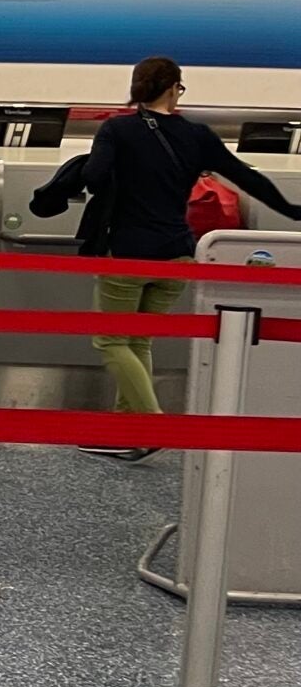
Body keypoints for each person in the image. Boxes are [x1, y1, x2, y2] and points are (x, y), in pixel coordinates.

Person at [68, 56, 301, 457]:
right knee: (139, 340)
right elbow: (248, 178)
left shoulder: (117, 129)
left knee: (110, 340)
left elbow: (92, 177)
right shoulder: (198, 136)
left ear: (138, 87)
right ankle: (128, 433)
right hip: (179, 253)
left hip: (127, 254)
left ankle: (154, 424)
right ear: (175, 88)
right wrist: (294, 211)